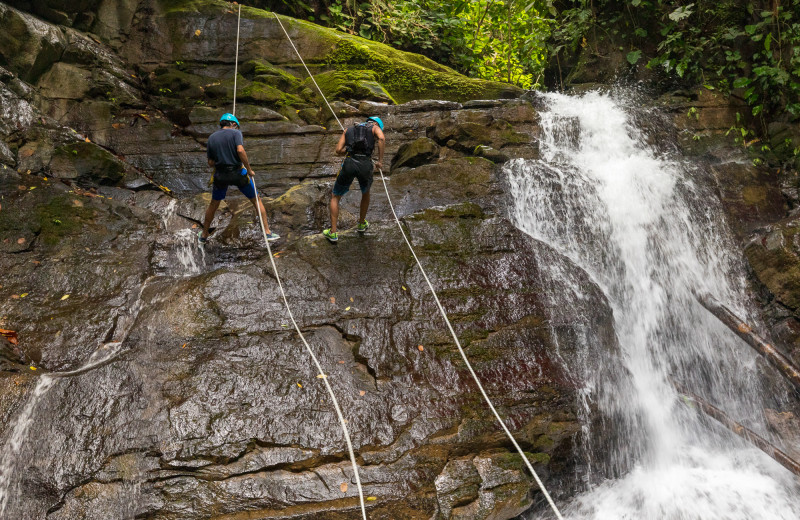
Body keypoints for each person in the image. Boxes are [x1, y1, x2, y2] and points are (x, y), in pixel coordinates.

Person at [199, 113, 278, 244]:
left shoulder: (212, 138)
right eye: (236, 126)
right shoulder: (236, 133)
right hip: (237, 173)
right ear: (233, 124)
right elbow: (240, 151)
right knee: (256, 200)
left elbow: (211, 163)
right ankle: (267, 233)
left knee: (214, 204)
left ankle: (204, 234)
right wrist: (248, 169)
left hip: (221, 175)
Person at [323, 116, 385, 243]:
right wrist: (380, 161)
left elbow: (338, 150)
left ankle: (333, 233)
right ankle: (361, 224)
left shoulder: (348, 130)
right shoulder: (375, 128)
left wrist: (350, 148)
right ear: (376, 124)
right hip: (365, 164)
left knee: (335, 196)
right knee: (365, 192)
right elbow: (382, 138)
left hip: (350, 162)